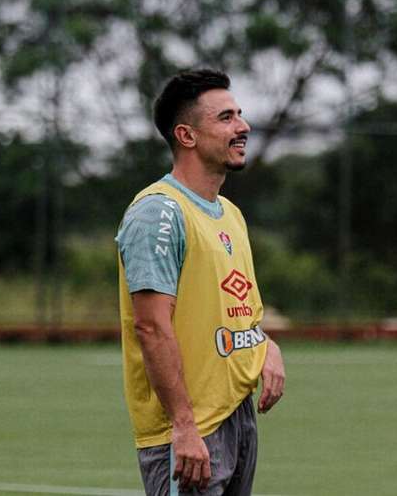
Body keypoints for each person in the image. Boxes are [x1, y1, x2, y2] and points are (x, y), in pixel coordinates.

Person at [116, 69, 285, 495]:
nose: (242, 126)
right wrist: (184, 427)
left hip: (236, 418)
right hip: (191, 431)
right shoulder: (158, 212)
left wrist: (267, 347)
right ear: (187, 136)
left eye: (240, 115)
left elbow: (239, 308)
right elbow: (151, 326)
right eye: (226, 118)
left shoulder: (229, 213)